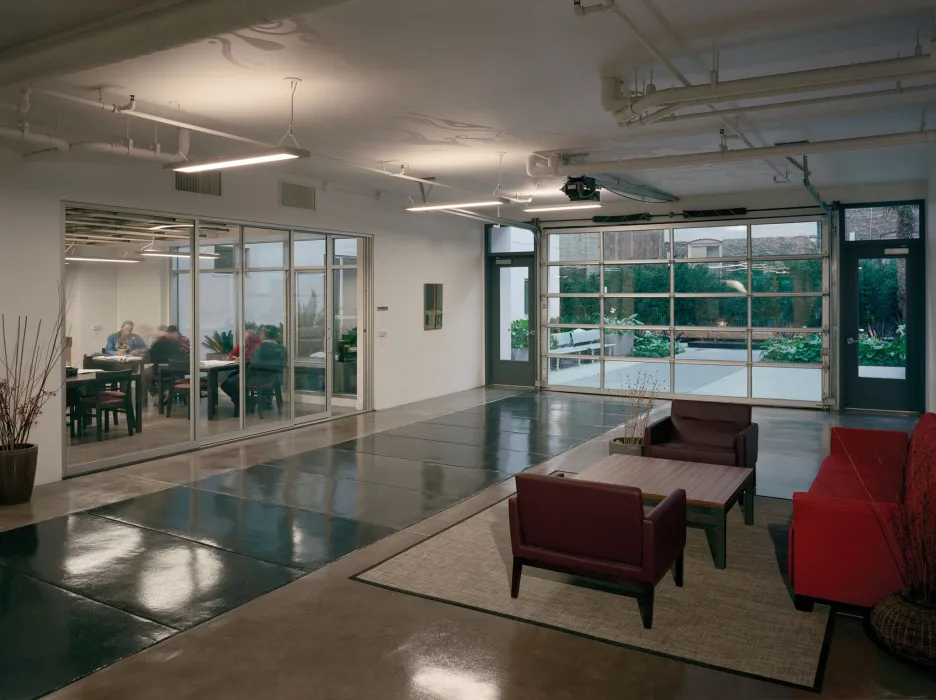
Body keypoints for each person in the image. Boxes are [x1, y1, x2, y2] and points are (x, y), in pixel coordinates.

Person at [221, 325, 285, 417]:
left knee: (227, 384)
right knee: (233, 377)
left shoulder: (261, 349)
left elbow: (253, 365)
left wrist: (242, 373)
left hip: (258, 377)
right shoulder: (282, 348)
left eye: (261, 333)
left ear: (264, 335)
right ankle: (247, 401)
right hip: (272, 377)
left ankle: (244, 403)